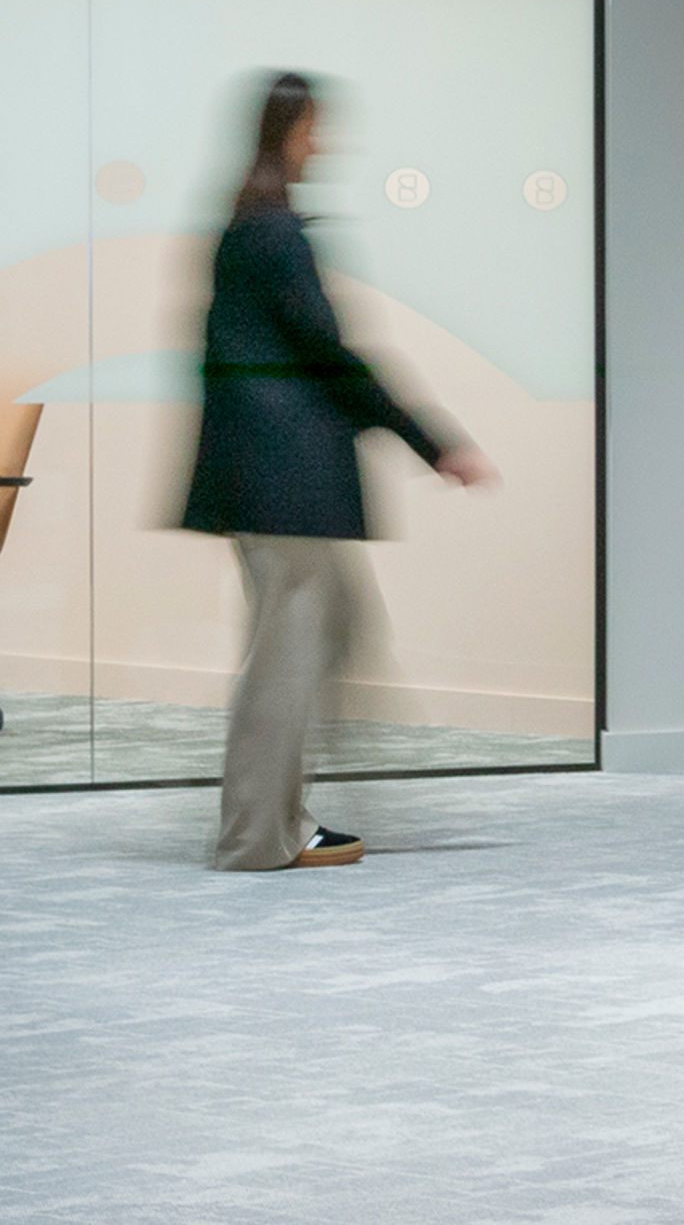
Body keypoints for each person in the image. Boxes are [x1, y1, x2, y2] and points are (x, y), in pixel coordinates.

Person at [184, 73, 491, 871]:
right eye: (316, 127)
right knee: (286, 662)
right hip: (281, 483)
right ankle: (255, 836)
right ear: (289, 131)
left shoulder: (251, 226)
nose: (324, 143)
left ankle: (283, 818)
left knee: (323, 641)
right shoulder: (272, 232)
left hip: (272, 482)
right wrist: (435, 442)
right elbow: (333, 356)